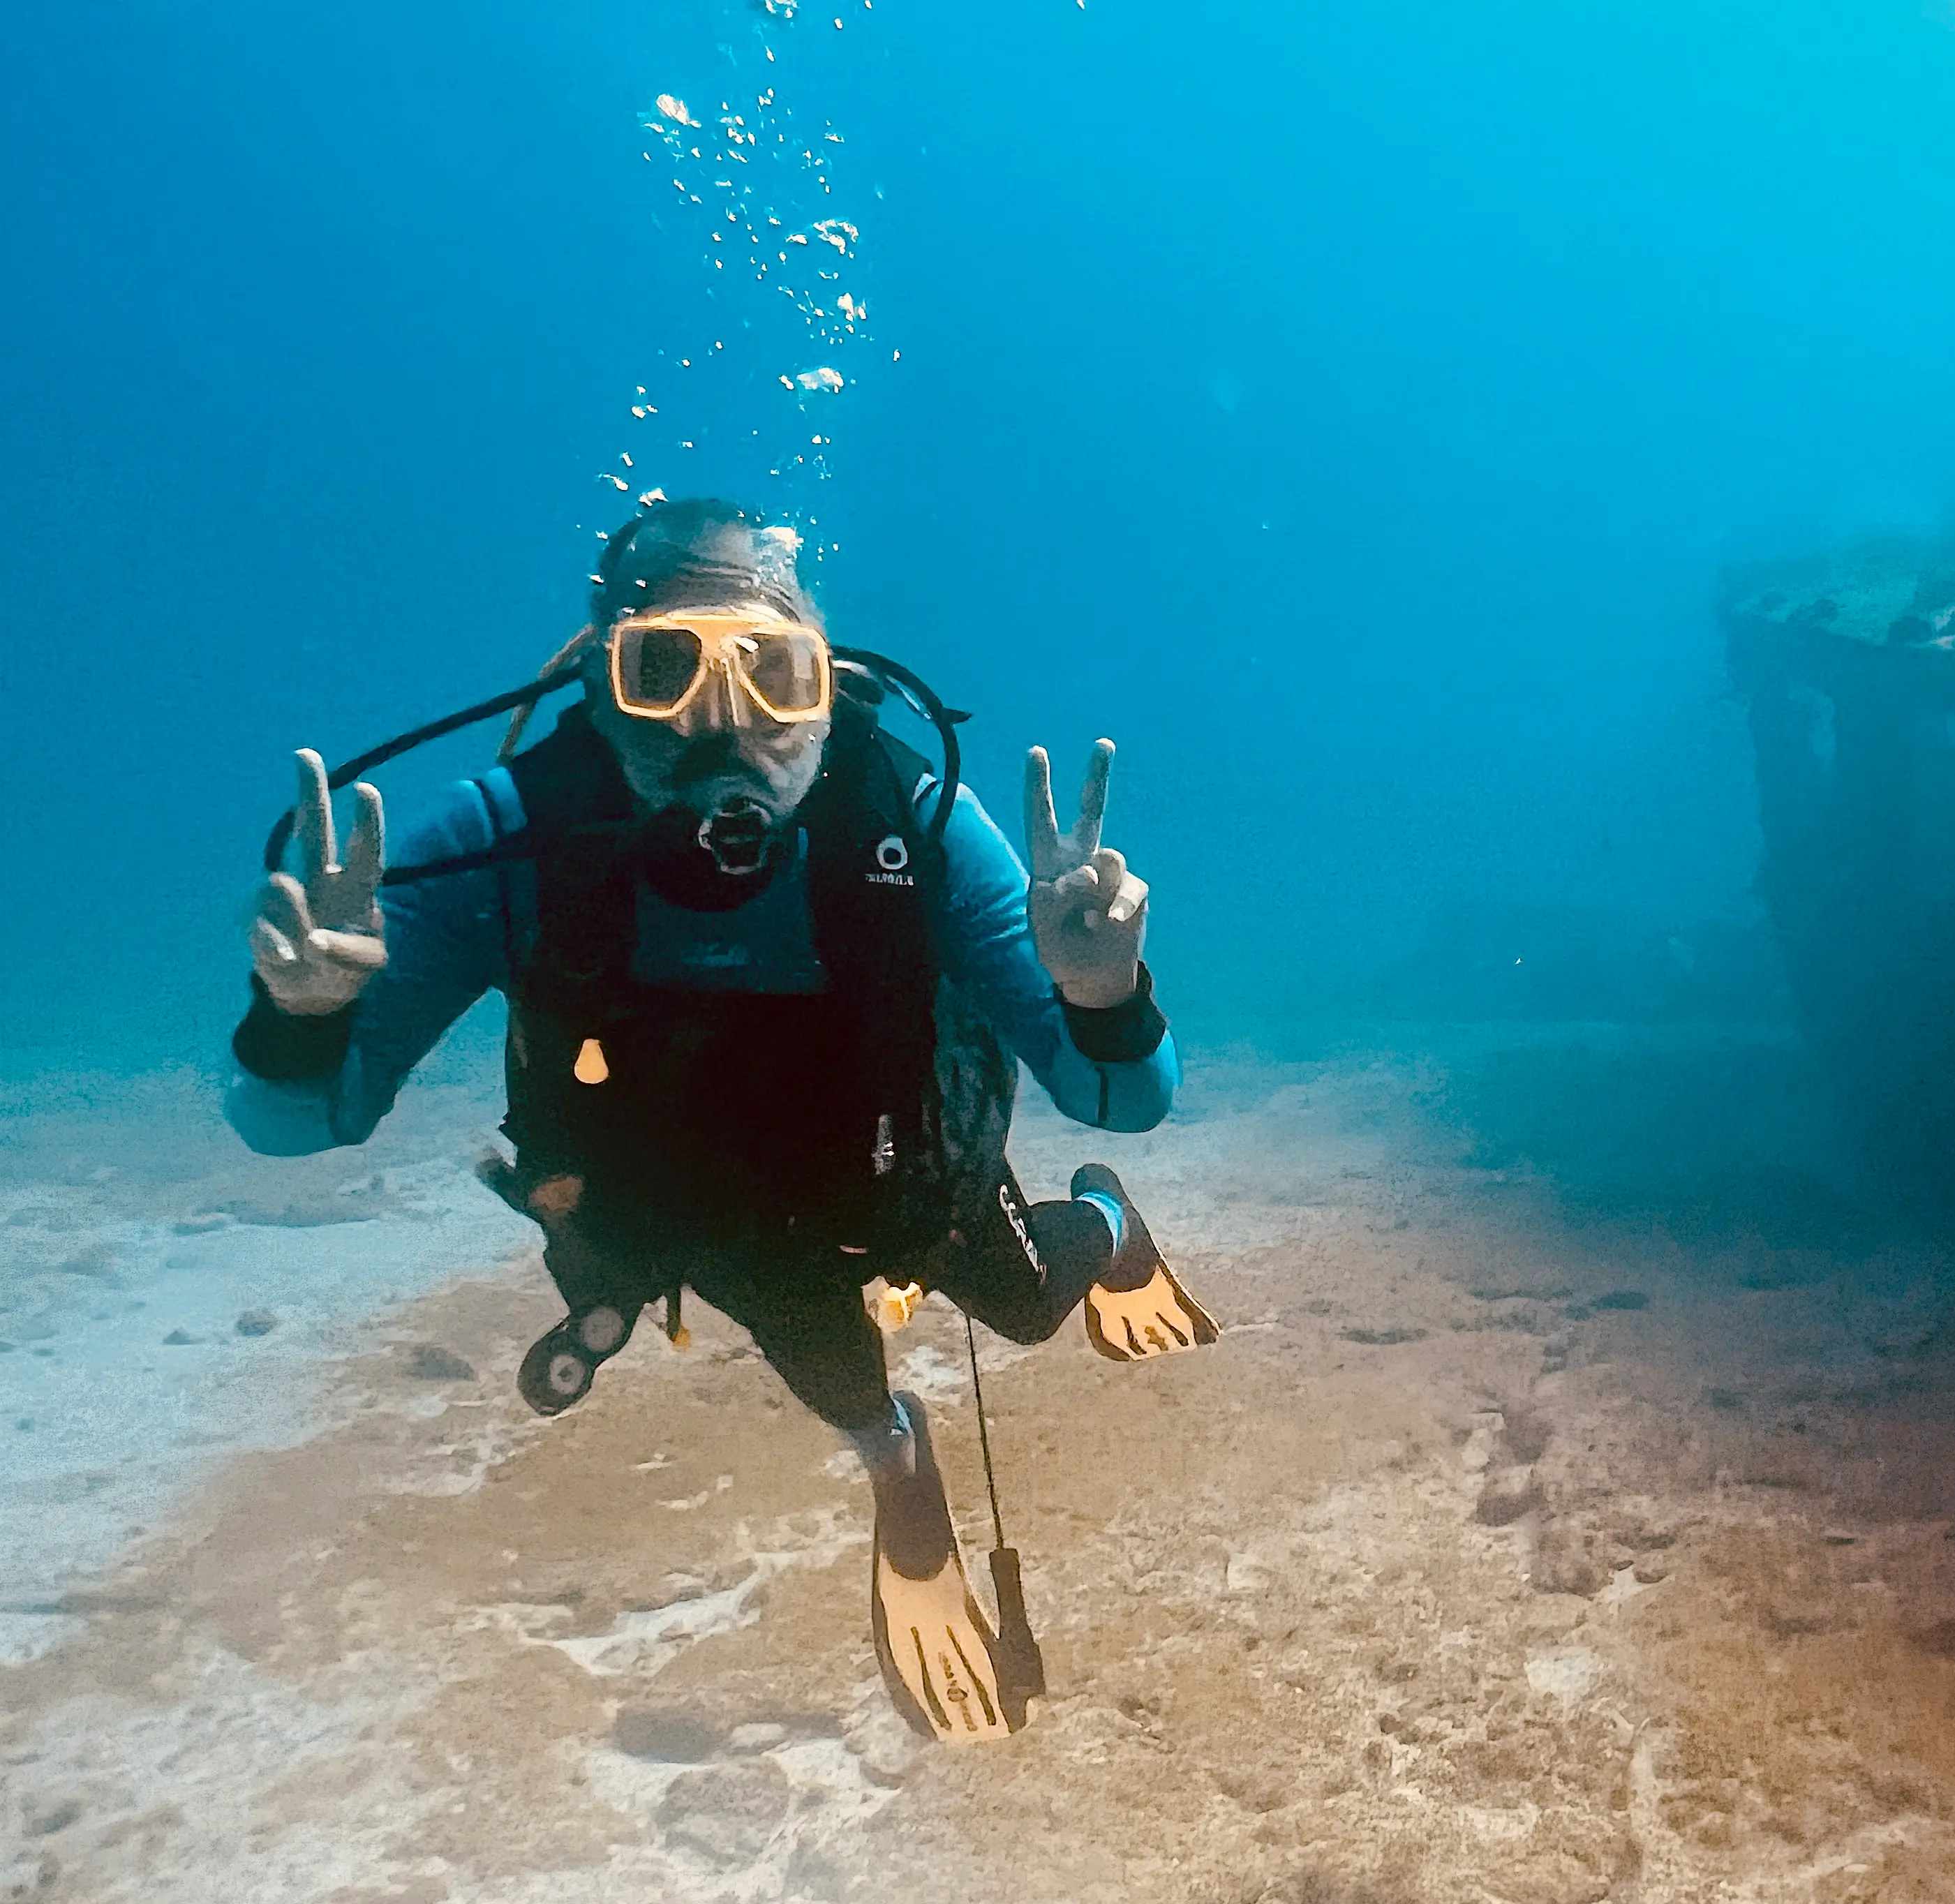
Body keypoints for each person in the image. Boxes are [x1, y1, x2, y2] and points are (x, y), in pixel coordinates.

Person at [226, 498, 1215, 1742]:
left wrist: (1104, 992)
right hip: (700, 1214)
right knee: (839, 1383)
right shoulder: (511, 837)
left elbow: (1122, 1095)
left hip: (905, 1176)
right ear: (600, 681)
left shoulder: (909, 819)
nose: (725, 727)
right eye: (663, 672)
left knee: (1023, 1306)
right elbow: (297, 1122)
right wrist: (304, 1017)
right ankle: (901, 1473)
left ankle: (1109, 1232)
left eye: (774, 677)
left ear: (824, 689)